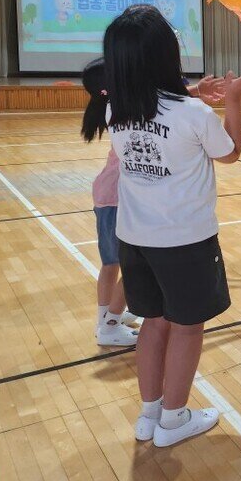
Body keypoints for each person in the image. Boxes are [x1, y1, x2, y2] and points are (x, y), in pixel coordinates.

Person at [103, 4, 241, 446]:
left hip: (135, 239)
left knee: (152, 324)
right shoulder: (191, 115)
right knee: (188, 327)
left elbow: (157, 106)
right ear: (165, 56)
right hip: (185, 241)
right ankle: (174, 420)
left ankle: (149, 415)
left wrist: (194, 91)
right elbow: (230, 152)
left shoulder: (115, 109)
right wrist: (231, 100)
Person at [81, 58, 139, 348]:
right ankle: (111, 325)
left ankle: (105, 319)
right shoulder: (120, 109)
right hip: (116, 196)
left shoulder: (112, 107)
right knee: (134, 265)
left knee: (111, 263)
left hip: (107, 194)